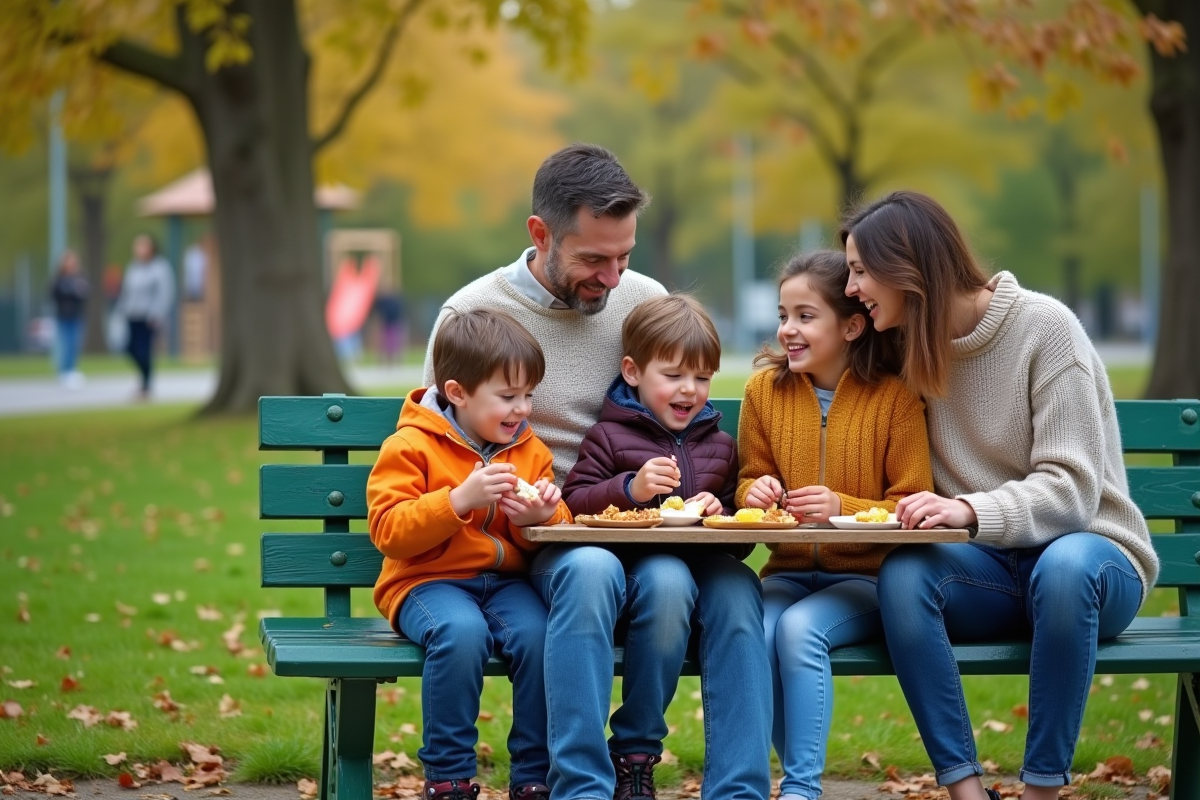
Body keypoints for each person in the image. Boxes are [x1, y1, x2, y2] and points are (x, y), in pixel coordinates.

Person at [424, 144, 771, 800]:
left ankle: (737, 790)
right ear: (540, 233)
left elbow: (679, 424)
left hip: (652, 533)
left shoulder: (643, 299)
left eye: (624, 257)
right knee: (591, 567)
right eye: (593, 260)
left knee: (720, 588)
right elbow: (440, 448)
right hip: (548, 537)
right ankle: (579, 785)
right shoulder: (473, 314)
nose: (612, 279)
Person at [841, 191, 1159, 800]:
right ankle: (966, 791)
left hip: (1092, 558)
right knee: (905, 574)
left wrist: (969, 509)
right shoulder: (905, 346)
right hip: (990, 570)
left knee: (1064, 569)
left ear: (907, 267)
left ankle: (1040, 791)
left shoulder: (1046, 330)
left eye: (860, 271)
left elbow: (1071, 490)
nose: (851, 288)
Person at [736, 250, 933, 800]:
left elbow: (911, 502)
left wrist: (841, 507)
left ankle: (802, 789)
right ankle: (785, 778)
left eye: (805, 316)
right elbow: (747, 481)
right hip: (787, 571)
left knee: (800, 631)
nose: (788, 330)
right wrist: (757, 493)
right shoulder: (763, 393)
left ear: (851, 326)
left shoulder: (895, 399)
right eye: (783, 315)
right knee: (758, 632)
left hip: (867, 580)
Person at [562, 294, 771, 800]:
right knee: (667, 577)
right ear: (632, 372)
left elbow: (738, 536)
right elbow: (575, 502)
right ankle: (635, 751)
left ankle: (739, 788)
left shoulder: (720, 445)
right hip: (636, 583)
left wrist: (723, 513)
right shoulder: (609, 437)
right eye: (673, 375)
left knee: (740, 587)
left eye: (702, 377)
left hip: (707, 571)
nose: (689, 389)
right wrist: (629, 489)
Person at [368, 307, 572, 800]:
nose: (522, 409)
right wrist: (458, 500)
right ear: (457, 393)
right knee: (461, 633)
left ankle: (534, 777)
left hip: (504, 585)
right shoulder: (411, 446)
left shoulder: (530, 451)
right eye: (508, 396)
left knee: (541, 636)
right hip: (425, 583)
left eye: (528, 395)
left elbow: (555, 524)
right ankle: (449, 778)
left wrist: (543, 517)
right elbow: (389, 530)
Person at [116, 233, 175, 398]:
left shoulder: (160, 267)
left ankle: (146, 384)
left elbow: (165, 293)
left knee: (144, 351)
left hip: (148, 317)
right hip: (132, 315)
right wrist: (121, 310)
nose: (139, 249)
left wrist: (157, 313)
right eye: (137, 245)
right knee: (129, 348)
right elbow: (126, 292)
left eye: (143, 245)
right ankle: (144, 379)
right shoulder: (133, 267)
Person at [49, 249, 88, 389]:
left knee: (74, 344)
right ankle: (64, 371)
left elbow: (85, 293)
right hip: (63, 315)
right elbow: (52, 294)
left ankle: (71, 370)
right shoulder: (59, 278)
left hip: (76, 315)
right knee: (65, 344)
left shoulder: (80, 277)